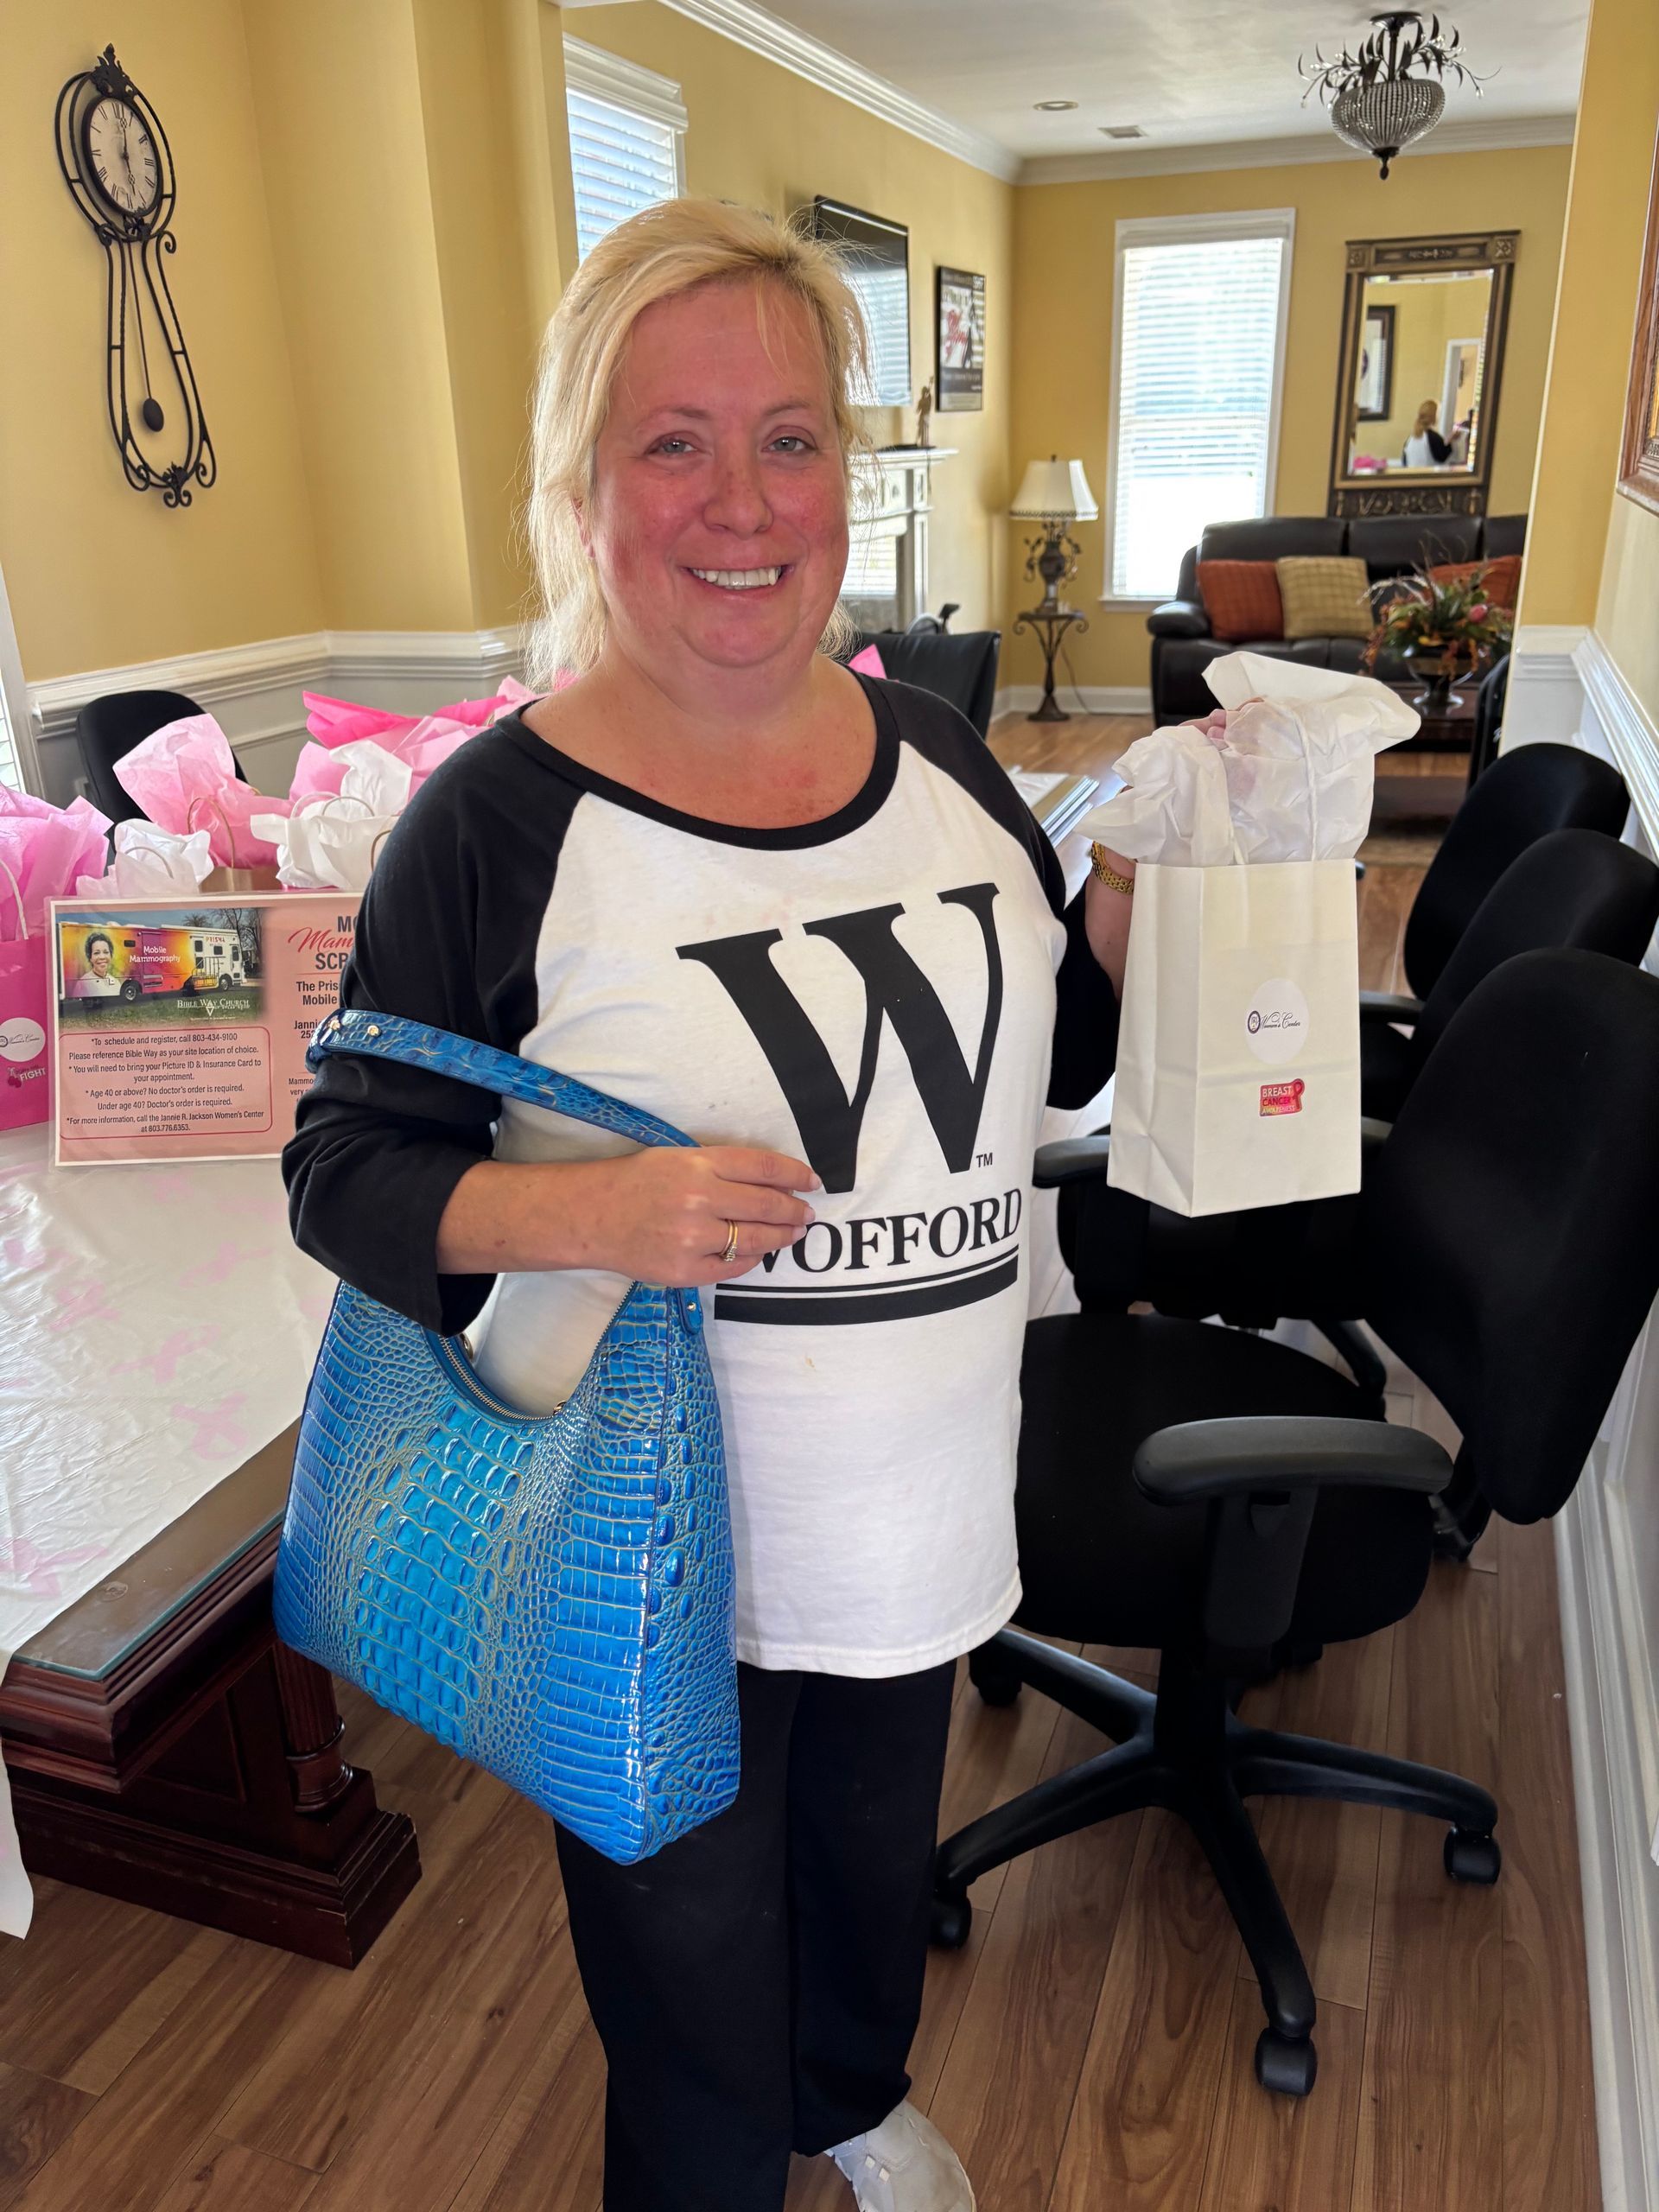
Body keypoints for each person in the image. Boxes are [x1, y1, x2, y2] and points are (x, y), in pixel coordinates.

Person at [283, 198, 1135, 2212]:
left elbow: (1066, 1061)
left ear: (849, 466)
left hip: (921, 1497)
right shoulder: (493, 824)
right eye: (672, 441)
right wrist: (602, 1209)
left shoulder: (938, 753)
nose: (739, 499)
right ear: (584, 490)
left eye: (788, 435)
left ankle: (846, 2097)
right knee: (681, 1977)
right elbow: (345, 1168)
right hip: (652, 1549)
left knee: (864, 1883)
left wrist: (1120, 920)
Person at [1402, 398, 1451, 467]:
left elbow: (1404, 462)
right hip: (1428, 476)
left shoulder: (1410, 439)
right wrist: (1450, 442)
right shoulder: (1434, 438)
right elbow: (1442, 458)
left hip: (1411, 476)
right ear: (1435, 416)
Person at [73, 931, 122, 996]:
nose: (102, 957)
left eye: (106, 952)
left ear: (111, 955)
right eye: (96, 953)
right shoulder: (83, 983)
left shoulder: (116, 983)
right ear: (90, 958)